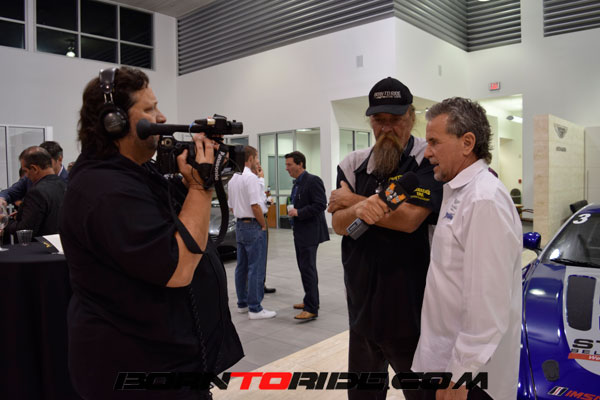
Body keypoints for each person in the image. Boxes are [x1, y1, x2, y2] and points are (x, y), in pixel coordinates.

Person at [59, 66, 243, 399]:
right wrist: (200, 187)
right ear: (114, 123)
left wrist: (193, 181)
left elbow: (175, 219)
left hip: (166, 358)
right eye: (149, 109)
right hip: (135, 367)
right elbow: (177, 268)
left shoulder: (135, 173)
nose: (161, 117)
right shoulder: (105, 189)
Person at [328, 77, 443, 400]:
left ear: (411, 117)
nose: (387, 127)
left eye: (396, 119)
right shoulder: (352, 164)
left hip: (411, 310)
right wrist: (365, 208)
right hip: (361, 305)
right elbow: (338, 224)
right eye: (379, 120)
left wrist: (354, 201)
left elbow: (409, 220)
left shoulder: (427, 160)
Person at [411, 97, 522, 400]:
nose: (427, 152)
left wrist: (460, 376)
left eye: (434, 142)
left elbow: (488, 304)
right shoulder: (459, 192)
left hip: (471, 379)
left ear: (467, 142)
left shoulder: (484, 200)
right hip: (445, 361)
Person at [227, 145, 276, 320]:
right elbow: (255, 206)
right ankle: (255, 308)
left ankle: (243, 303)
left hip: (240, 225)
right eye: (256, 158)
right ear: (250, 158)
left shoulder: (233, 179)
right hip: (253, 225)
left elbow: (232, 207)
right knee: (256, 267)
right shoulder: (251, 178)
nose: (257, 161)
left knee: (241, 267)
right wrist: (263, 225)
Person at [285, 151, 329, 320]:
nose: (287, 168)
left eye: (289, 165)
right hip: (300, 231)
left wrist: (299, 212)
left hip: (310, 232)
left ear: (300, 164)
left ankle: (312, 308)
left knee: (308, 269)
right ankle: (309, 299)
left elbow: (321, 204)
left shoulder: (313, 180)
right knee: (304, 268)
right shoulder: (297, 183)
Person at [5, 146, 66, 237]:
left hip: (39, 244)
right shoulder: (65, 185)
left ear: (34, 169)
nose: (26, 176)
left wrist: (6, 222)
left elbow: (25, 230)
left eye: (25, 171)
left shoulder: (36, 193)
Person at [0, 140, 68, 207]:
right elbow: (10, 192)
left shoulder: (69, 181)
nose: (43, 164)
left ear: (60, 159)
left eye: (48, 161)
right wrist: (2, 199)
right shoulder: (30, 177)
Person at [252, 160, 276, 294]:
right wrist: (262, 224)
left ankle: (260, 283)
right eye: (257, 163)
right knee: (258, 256)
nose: (260, 167)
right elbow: (255, 205)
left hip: (258, 218)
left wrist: (267, 202)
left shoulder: (255, 181)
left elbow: (260, 201)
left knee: (260, 256)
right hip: (257, 220)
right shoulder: (254, 181)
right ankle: (257, 286)